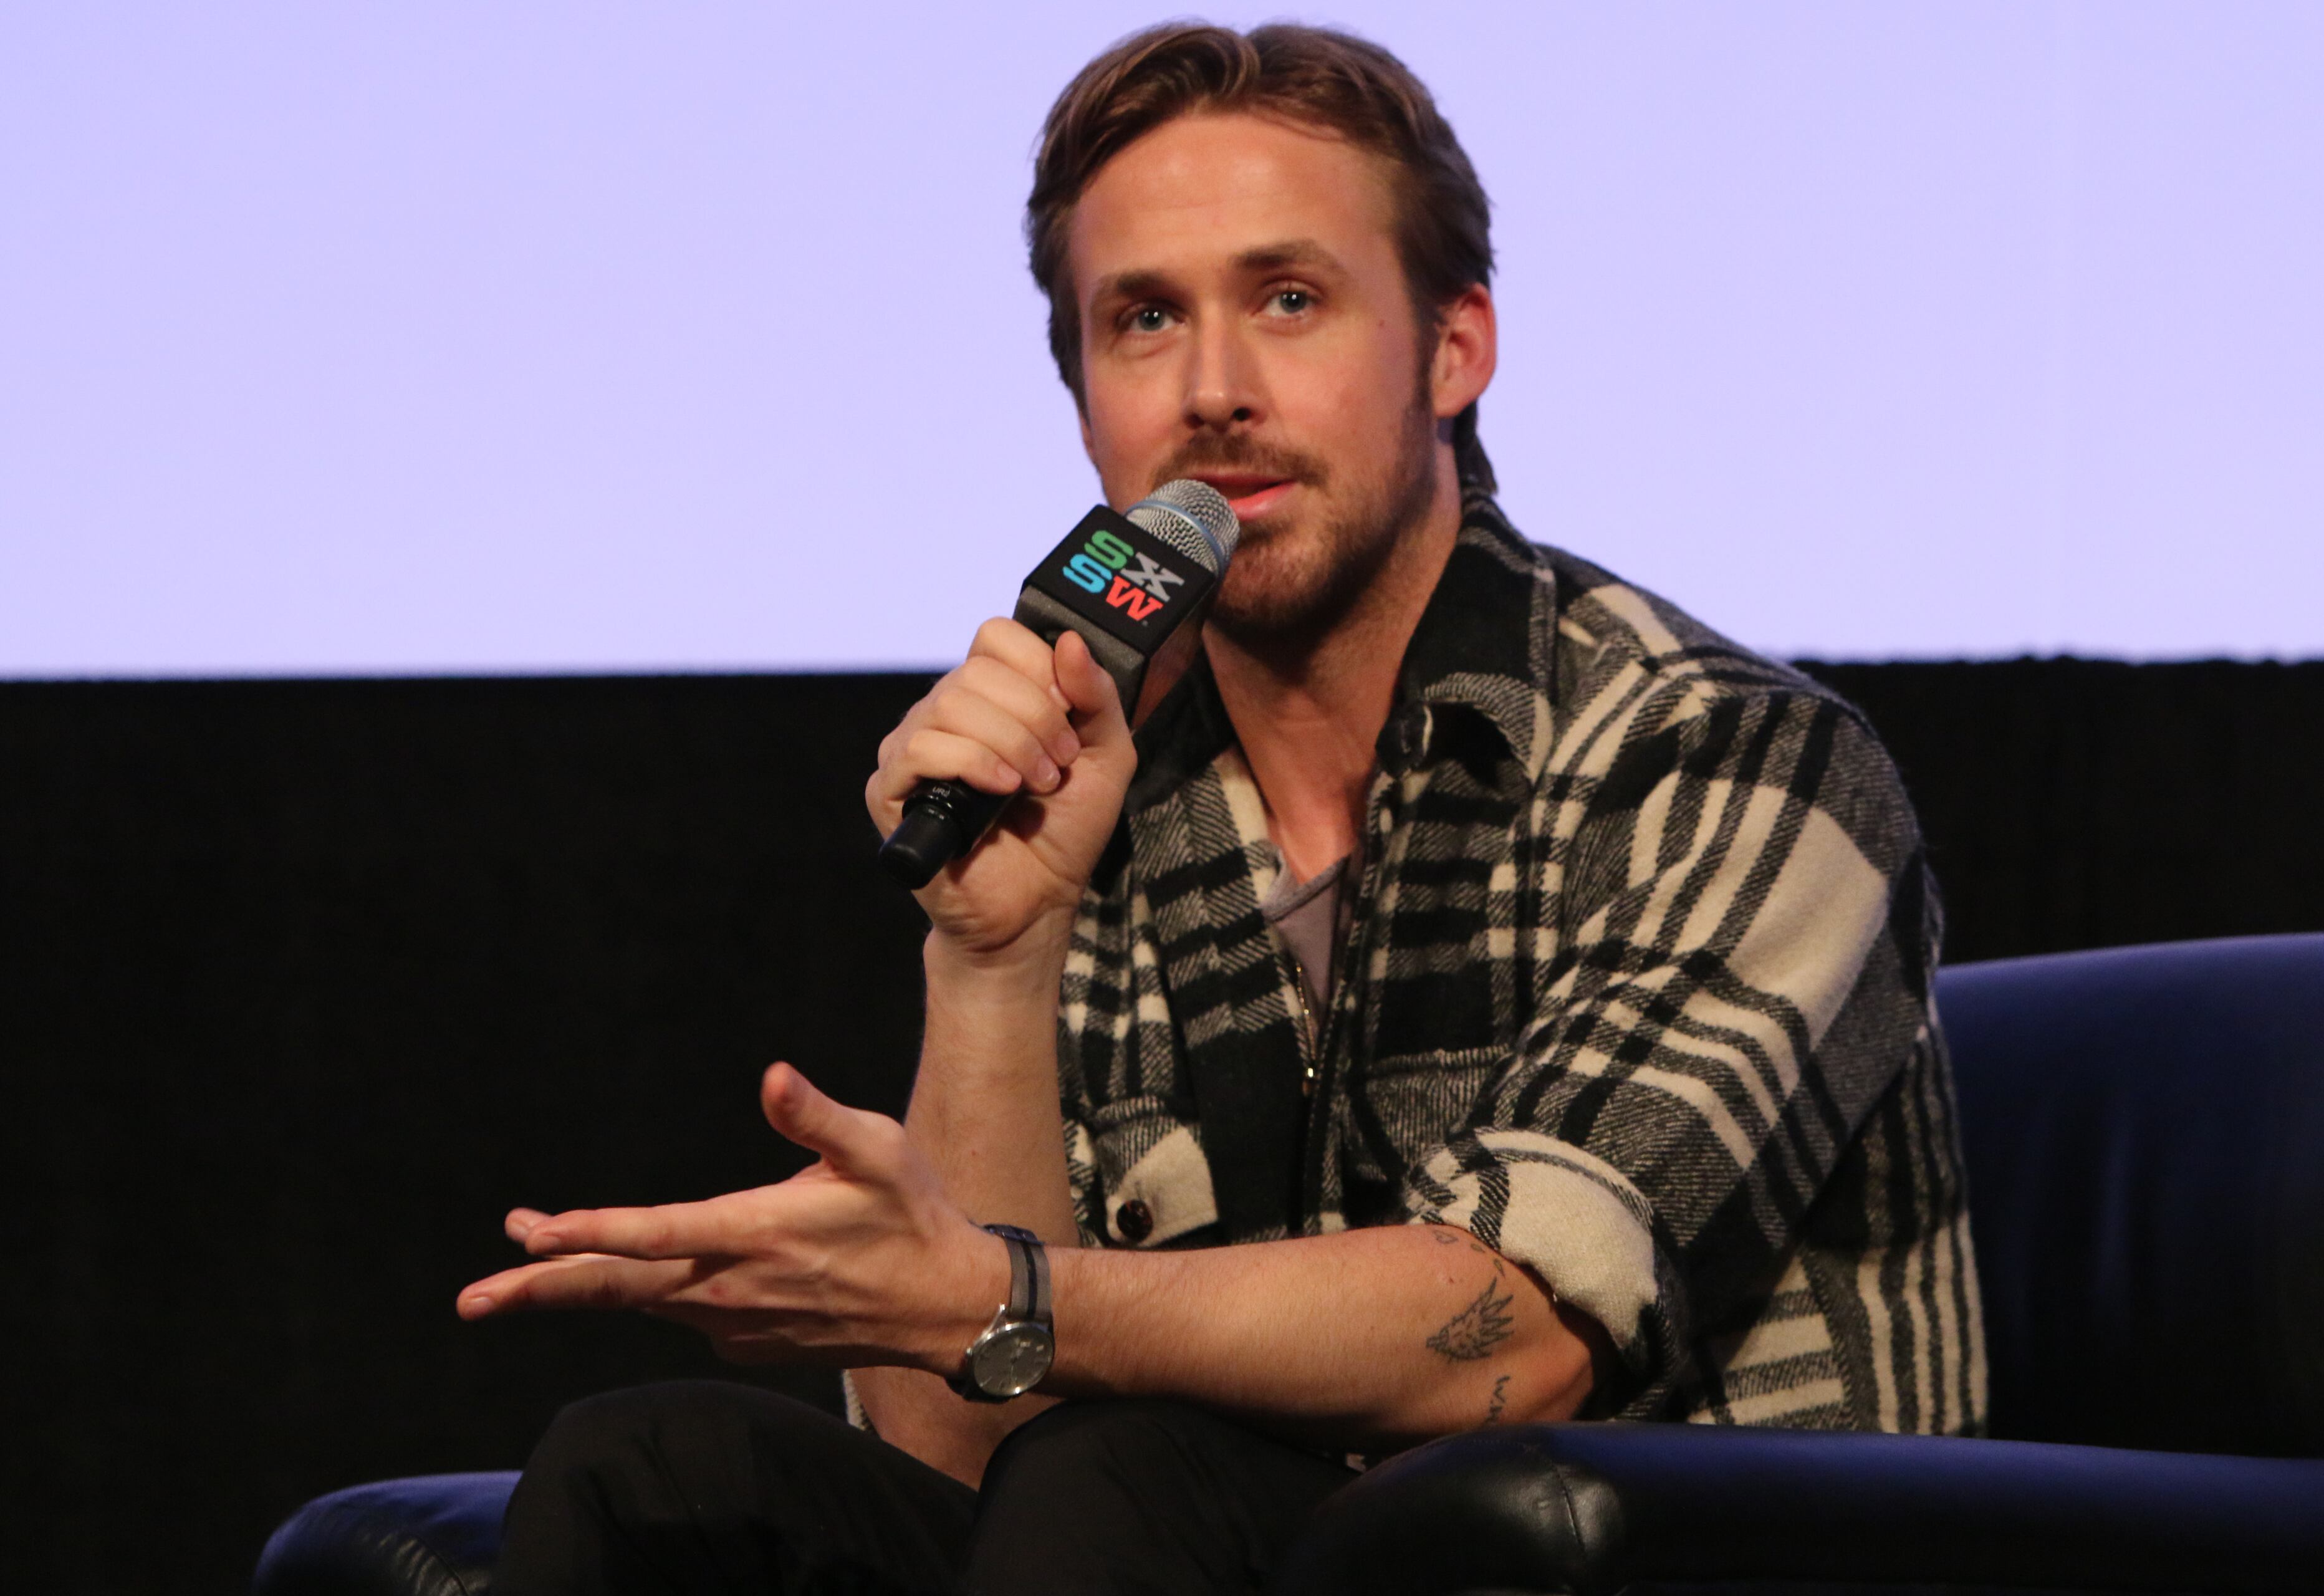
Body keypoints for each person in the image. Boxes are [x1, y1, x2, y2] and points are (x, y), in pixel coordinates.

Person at [458, 21, 1985, 1595]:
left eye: (1289, 300)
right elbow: (957, 1458)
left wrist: (1003, 1288)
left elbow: (1515, 1331)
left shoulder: (1731, 759)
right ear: (1086, 414)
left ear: (1453, 348)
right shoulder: (1103, 785)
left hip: (1662, 1559)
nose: (1212, 390)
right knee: (652, 1472)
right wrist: (996, 949)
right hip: (1206, 1539)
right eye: (1142, 321)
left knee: (1119, 1465)